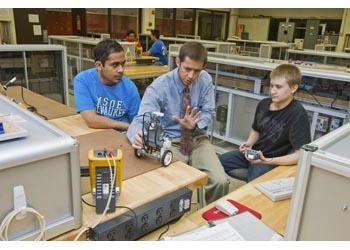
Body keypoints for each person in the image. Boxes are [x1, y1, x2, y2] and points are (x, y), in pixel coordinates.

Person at [127, 42, 229, 204]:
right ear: (177, 62)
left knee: (220, 181)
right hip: (171, 141)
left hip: (197, 139)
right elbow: (141, 118)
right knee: (173, 186)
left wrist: (194, 125)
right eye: (187, 69)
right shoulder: (159, 87)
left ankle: (215, 222)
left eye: (197, 71)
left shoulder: (205, 80)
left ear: (204, 67)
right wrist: (138, 135)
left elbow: (209, 112)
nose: (191, 76)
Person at [219, 64, 311, 182]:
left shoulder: (298, 114)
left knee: (253, 182)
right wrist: (249, 143)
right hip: (255, 154)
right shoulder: (264, 104)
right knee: (219, 162)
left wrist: (267, 161)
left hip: (272, 160)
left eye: (278, 87)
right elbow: (256, 129)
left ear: (293, 88)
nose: (272, 91)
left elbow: (300, 155)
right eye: (271, 86)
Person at [74, 39, 141, 131]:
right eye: (115, 65)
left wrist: (130, 128)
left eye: (122, 64)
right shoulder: (83, 80)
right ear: (99, 66)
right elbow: (91, 120)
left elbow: (137, 123)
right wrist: (125, 125)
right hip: (96, 133)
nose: (121, 70)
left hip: (121, 136)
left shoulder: (130, 88)